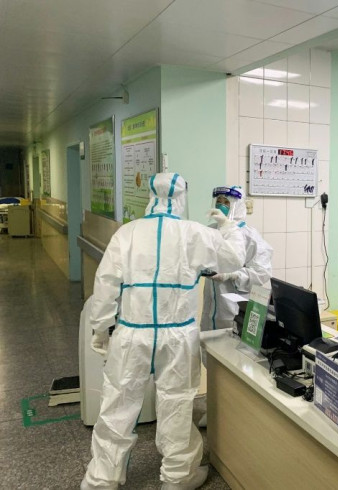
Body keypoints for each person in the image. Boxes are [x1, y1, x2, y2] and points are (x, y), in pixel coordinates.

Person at [81, 173, 247, 490]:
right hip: (177, 336)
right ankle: (177, 476)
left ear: (149, 196)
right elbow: (234, 257)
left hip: (132, 332)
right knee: (177, 402)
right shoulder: (194, 233)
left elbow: (105, 285)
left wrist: (100, 327)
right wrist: (229, 224)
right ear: (182, 198)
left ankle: (102, 478)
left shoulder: (127, 234)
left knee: (118, 403)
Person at [200, 185, 272, 332]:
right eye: (218, 201)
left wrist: (232, 275)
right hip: (212, 307)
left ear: (237, 206)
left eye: (226, 202)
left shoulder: (249, 236)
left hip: (235, 306)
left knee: (230, 347)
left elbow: (263, 272)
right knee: (209, 347)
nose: (221, 205)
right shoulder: (212, 231)